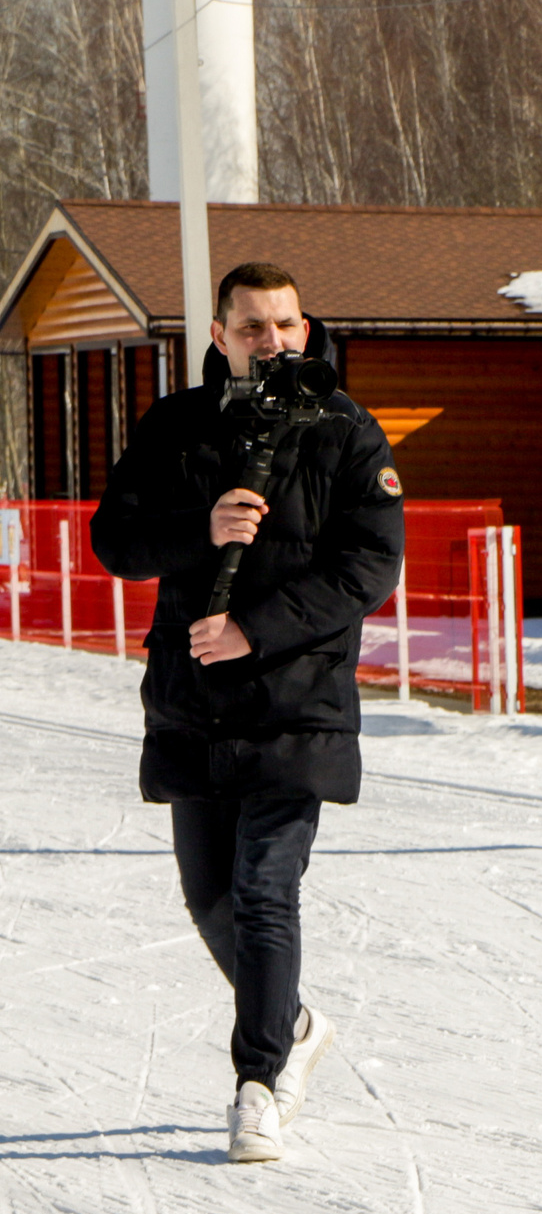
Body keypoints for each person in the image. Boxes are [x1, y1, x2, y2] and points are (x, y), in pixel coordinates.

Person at [90, 262, 404, 1164]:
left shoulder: (347, 431)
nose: (274, 341)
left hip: (296, 700)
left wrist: (256, 630)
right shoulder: (176, 426)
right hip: (194, 702)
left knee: (267, 888)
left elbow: (367, 566)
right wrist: (204, 526)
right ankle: (294, 1022)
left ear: (306, 328)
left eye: (286, 324)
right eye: (254, 327)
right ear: (219, 336)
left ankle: (258, 1083)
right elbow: (116, 538)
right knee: (211, 897)